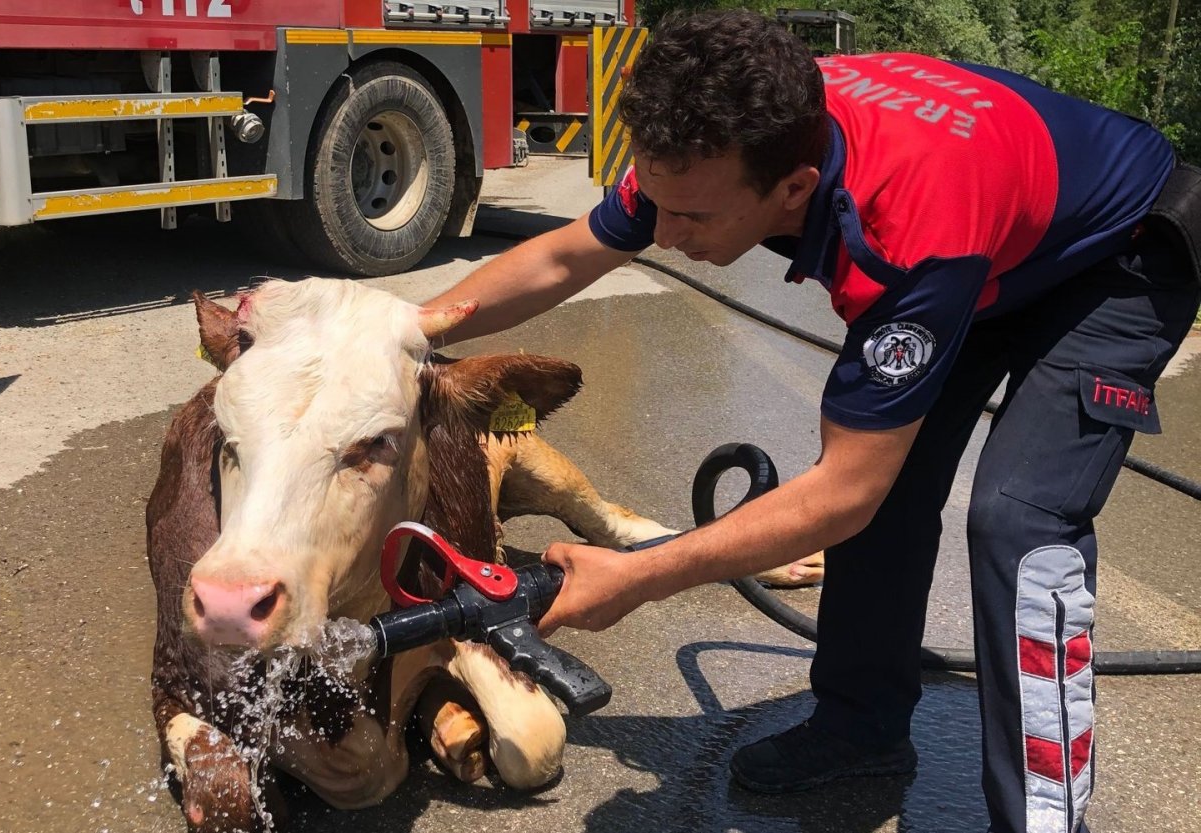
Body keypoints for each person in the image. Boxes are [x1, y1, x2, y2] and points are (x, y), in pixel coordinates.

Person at [423, 11, 1201, 832]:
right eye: (656, 204)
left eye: (692, 219)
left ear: (794, 189)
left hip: (1116, 256)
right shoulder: (718, 134)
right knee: (891, 484)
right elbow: (562, 254)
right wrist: (402, 329)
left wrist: (638, 574)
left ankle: (1044, 820)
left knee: (1019, 520)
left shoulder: (906, 226)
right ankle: (860, 728)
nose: (665, 234)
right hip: (995, 240)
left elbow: (843, 493)